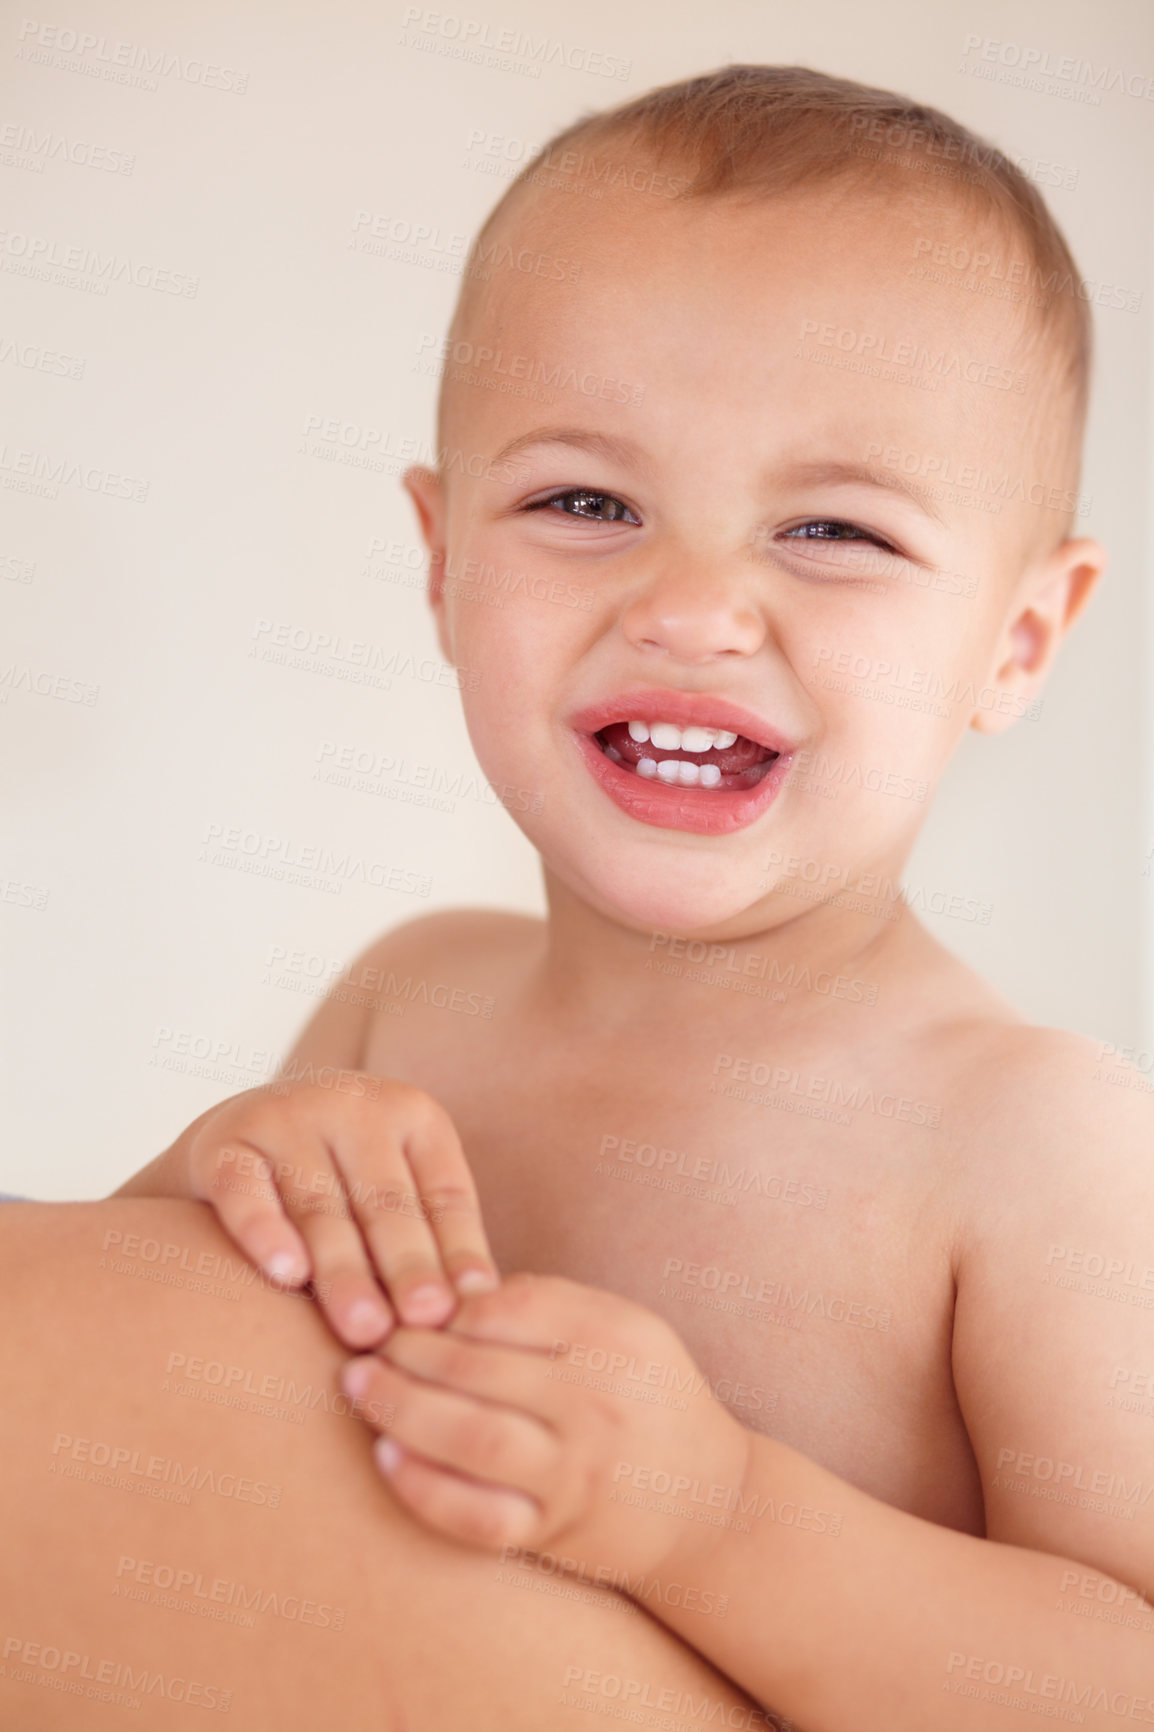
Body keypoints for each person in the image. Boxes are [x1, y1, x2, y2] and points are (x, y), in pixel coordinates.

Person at [113, 65, 1154, 1727]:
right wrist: (208, 1175)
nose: (690, 606)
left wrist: (715, 1512)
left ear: (1016, 638)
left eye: (829, 529)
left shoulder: (1032, 1139)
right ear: (444, 566)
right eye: (584, 504)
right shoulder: (411, 997)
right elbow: (142, 1411)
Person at [0, 1197, 766, 1729]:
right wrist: (216, 1167)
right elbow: (221, 1245)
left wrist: (709, 1522)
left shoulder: (888, 1126)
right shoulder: (425, 980)